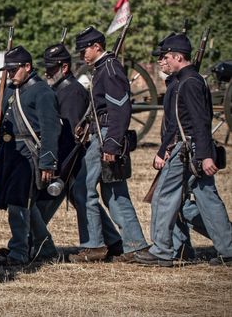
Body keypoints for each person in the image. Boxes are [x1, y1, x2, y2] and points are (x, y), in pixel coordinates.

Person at [135, 34, 232, 267]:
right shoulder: (183, 81)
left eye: (165, 57)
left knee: (164, 196)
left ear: (178, 57)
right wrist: (163, 149)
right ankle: (228, 250)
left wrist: (205, 155)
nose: (161, 61)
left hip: (190, 149)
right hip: (189, 147)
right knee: (208, 200)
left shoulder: (189, 83)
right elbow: (177, 121)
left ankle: (162, 250)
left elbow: (200, 121)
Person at [33, 43, 124, 260]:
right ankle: (113, 241)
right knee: (79, 198)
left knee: (44, 202)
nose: (47, 72)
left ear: (64, 68)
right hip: (67, 159)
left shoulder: (71, 92)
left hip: (71, 159)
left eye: (52, 68)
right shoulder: (59, 89)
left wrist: (58, 167)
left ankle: (32, 242)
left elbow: (71, 136)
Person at [69, 26, 148, 263]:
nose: (83, 54)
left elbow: (120, 109)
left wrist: (111, 144)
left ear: (97, 47)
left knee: (83, 188)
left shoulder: (110, 69)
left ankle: (94, 245)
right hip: (101, 132)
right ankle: (135, 246)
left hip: (106, 136)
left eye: (85, 49)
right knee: (114, 192)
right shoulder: (103, 68)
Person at [0, 45, 60, 265]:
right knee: (25, 205)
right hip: (11, 153)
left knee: (19, 204)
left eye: (14, 70)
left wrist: (47, 162)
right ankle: (45, 246)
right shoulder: (12, 90)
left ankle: (18, 252)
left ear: (27, 67)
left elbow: (51, 130)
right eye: (8, 71)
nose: (11, 74)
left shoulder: (42, 92)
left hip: (30, 154)